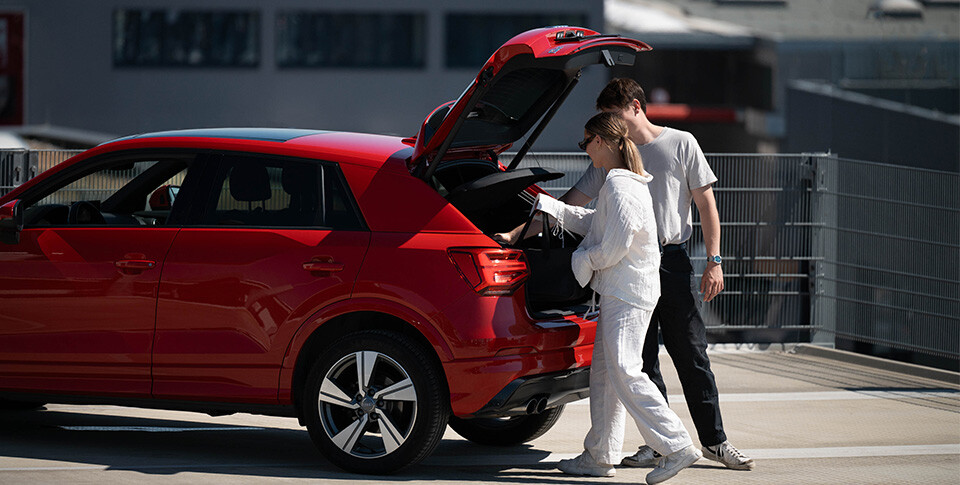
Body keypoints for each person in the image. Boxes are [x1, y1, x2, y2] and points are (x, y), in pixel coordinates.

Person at [495, 78, 754, 471]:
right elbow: (572, 206)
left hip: (672, 260)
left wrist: (715, 261)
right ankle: (651, 446)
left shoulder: (679, 144)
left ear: (634, 106)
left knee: (690, 354)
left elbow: (707, 206)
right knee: (639, 361)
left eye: (610, 117)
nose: (603, 128)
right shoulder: (612, 161)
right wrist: (517, 233)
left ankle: (713, 442)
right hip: (631, 268)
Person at [536, 112, 701, 484]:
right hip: (626, 290)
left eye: (586, 143)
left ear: (603, 142)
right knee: (606, 374)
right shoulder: (624, 183)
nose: (584, 152)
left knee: (625, 370)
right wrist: (550, 207)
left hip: (627, 293)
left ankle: (676, 446)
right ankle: (600, 455)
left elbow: (613, 244)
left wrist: (582, 260)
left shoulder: (619, 186)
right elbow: (598, 224)